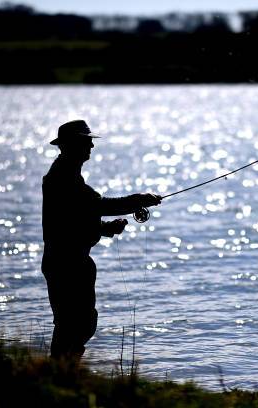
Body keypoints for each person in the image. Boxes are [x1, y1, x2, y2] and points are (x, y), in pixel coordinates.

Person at [41, 119, 161, 359]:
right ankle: (61, 375)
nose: (91, 147)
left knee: (80, 323)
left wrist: (106, 228)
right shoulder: (62, 178)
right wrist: (138, 200)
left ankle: (64, 374)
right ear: (69, 145)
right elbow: (98, 205)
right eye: (86, 142)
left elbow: (74, 217)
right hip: (65, 264)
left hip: (71, 262)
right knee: (73, 324)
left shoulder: (69, 175)